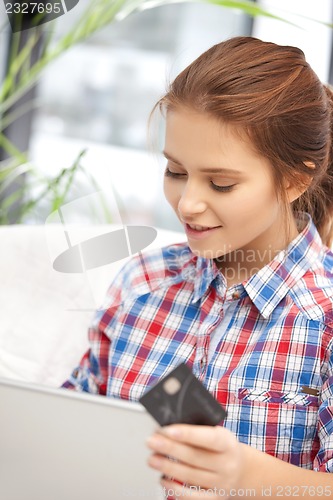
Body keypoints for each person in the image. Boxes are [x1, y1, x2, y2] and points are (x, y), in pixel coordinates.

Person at [62, 36, 333, 498]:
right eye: (175, 172)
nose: (187, 204)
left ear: (295, 180)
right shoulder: (142, 282)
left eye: (221, 183)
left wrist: (248, 480)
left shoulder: (324, 318)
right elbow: (66, 426)